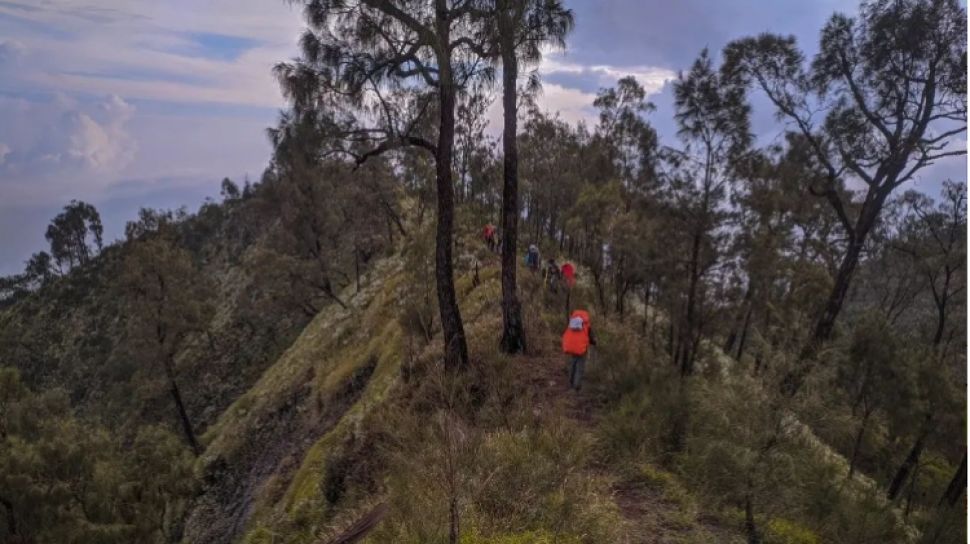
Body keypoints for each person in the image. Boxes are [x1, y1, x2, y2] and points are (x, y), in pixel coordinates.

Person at [561, 309, 596, 391]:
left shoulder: (572, 323)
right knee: (580, 367)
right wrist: (594, 342)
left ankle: (570, 382)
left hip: (572, 348)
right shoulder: (586, 324)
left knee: (573, 365)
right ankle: (576, 386)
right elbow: (591, 338)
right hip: (582, 349)